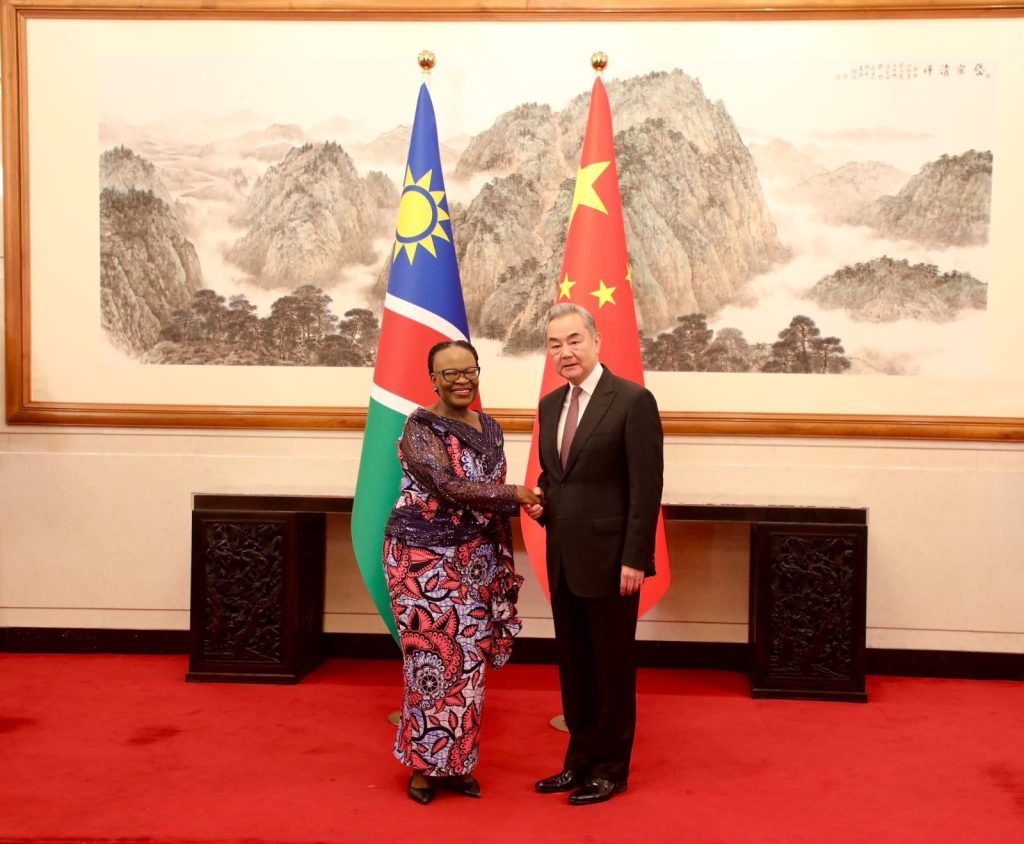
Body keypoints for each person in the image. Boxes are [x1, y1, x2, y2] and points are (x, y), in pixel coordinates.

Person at [383, 339, 540, 805]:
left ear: (477, 372)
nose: (460, 380)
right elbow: (448, 486)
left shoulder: (490, 428)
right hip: (420, 562)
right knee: (430, 661)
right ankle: (423, 768)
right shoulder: (420, 427)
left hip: (473, 562)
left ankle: (458, 763)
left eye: (467, 370)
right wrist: (521, 494)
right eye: (448, 373)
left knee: (468, 663)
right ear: (432, 378)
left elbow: (486, 492)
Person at [528, 302, 664, 806]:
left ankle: (610, 768)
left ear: (596, 340)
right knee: (575, 668)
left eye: (573, 341)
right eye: (554, 345)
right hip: (563, 557)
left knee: (610, 668)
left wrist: (635, 557)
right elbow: (555, 476)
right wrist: (540, 502)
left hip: (612, 562)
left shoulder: (631, 401)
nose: (564, 353)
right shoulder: (548, 405)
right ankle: (578, 762)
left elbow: (645, 488)